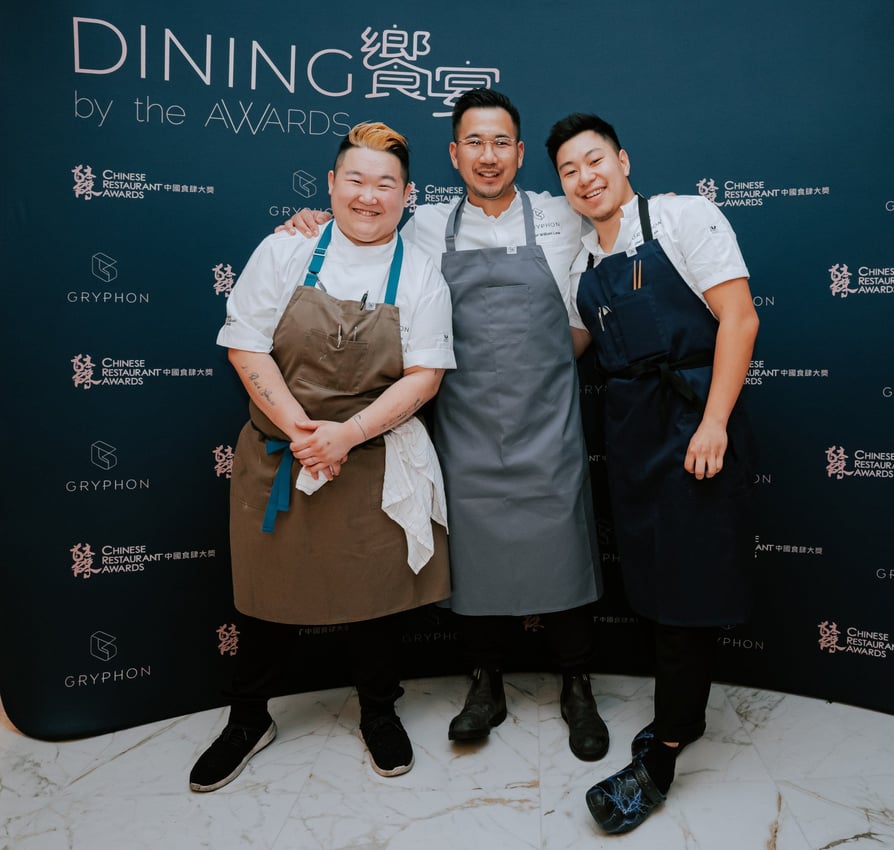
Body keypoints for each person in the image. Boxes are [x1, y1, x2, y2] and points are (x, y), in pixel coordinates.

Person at [282, 89, 608, 761]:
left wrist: (542, 365)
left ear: (519, 153)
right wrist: (305, 228)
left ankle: (578, 682)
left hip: (547, 414)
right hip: (462, 416)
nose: (488, 157)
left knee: (564, 543)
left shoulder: (559, 215)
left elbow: (611, 242)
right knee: (475, 551)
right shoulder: (425, 225)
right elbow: (357, 237)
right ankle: (483, 682)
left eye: (501, 144)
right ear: (455, 153)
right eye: (474, 143)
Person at [190, 122, 456, 792]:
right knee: (263, 597)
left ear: (408, 195)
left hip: (367, 460)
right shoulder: (287, 250)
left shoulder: (420, 274)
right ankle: (249, 718)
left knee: (375, 599)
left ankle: (378, 711)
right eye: (356, 180)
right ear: (332, 185)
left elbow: (425, 375)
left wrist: (345, 437)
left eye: (385, 184)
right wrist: (304, 430)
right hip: (282, 454)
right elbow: (245, 344)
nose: (369, 196)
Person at [544, 113, 759, 834]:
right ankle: (685, 718)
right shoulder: (580, 261)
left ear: (623, 159)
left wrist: (715, 423)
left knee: (688, 594)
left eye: (594, 160)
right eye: (569, 170)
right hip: (634, 436)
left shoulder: (681, 217)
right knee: (660, 589)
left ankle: (661, 759)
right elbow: (565, 347)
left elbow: (739, 319)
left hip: (694, 419)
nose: (585, 177)